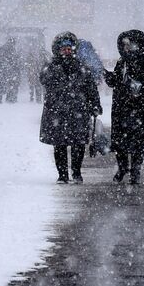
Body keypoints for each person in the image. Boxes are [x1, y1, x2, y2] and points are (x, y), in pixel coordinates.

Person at [40, 31, 101, 183]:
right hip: (57, 111)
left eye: (69, 49)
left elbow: (91, 88)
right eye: (63, 49)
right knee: (59, 144)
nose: (67, 52)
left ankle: (76, 173)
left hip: (78, 110)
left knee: (78, 144)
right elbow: (44, 79)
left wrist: (95, 104)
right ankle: (62, 175)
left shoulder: (82, 67)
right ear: (58, 50)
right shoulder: (51, 67)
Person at [104, 29, 144, 185]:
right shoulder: (122, 61)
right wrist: (108, 76)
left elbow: (143, 78)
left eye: (130, 44)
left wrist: (128, 75)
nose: (127, 48)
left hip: (140, 107)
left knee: (138, 142)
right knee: (120, 141)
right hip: (122, 106)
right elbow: (116, 82)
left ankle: (135, 171)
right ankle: (122, 168)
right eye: (124, 45)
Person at [0, 36, 22, 103]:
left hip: (8, 69)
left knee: (8, 83)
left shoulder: (10, 48)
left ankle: (7, 98)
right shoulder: (6, 47)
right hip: (6, 69)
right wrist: (5, 62)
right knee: (6, 83)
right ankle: (5, 98)